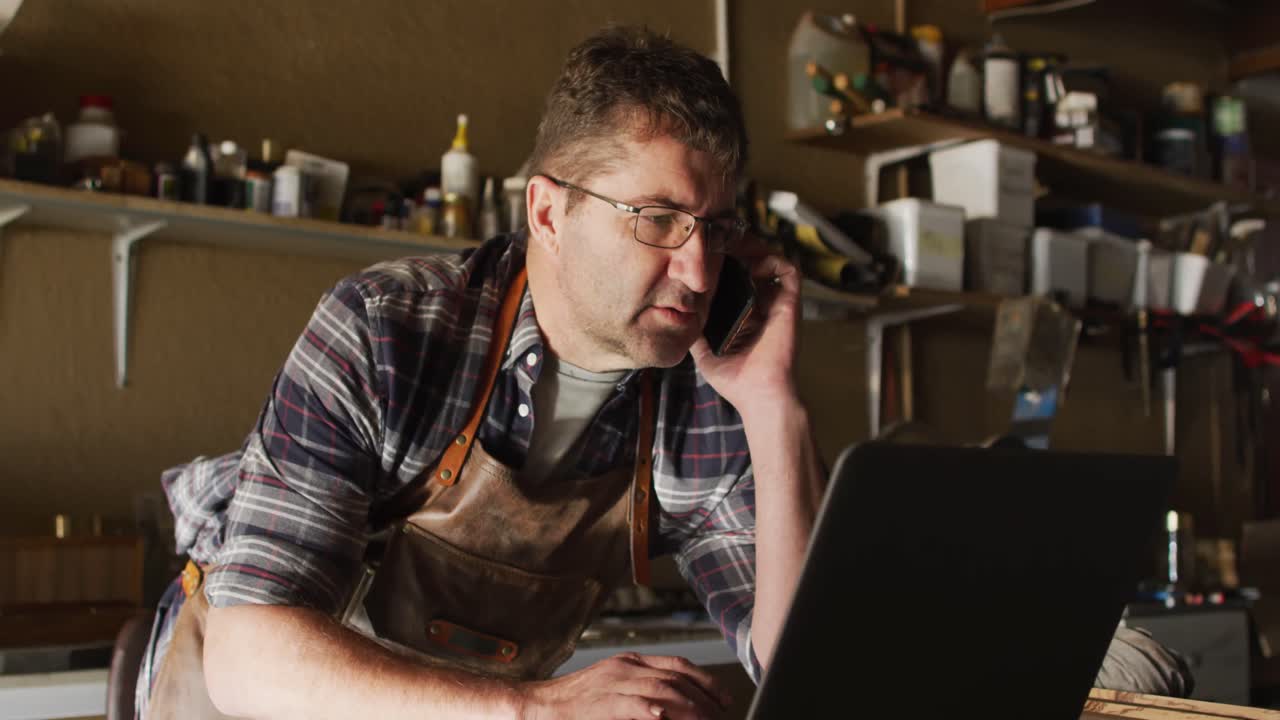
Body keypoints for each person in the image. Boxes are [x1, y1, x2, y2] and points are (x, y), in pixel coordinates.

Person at [135, 25, 1189, 720]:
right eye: (655, 219)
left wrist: (772, 410)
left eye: (717, 227)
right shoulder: (386, 330)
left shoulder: (700, 388)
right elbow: (251, 653)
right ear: (547, 210)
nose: (695, 267)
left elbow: (797, 665)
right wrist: (537, 708)